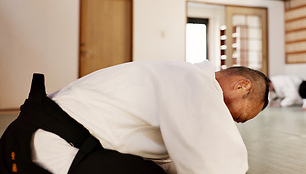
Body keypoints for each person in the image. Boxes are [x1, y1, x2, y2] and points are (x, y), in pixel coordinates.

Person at [0, 60, 269, 174]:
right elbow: (217, 167)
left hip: (26, 140)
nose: (232, 121)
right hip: (39, 151)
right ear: (242, 85)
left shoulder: (179, 77)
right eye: (240, 116)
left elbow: (177, 159)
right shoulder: (196, 82)